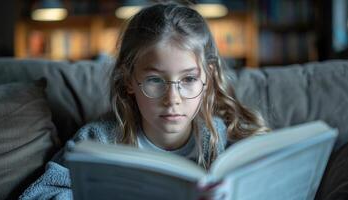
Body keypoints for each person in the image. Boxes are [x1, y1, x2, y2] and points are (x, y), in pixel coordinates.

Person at [20, 2, 268, 199]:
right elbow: (42, 193)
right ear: (129, 79)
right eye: (155, 80)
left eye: (189, 79)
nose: (173, 99)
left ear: (208, 78)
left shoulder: (228, 141)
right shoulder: (97, 141)